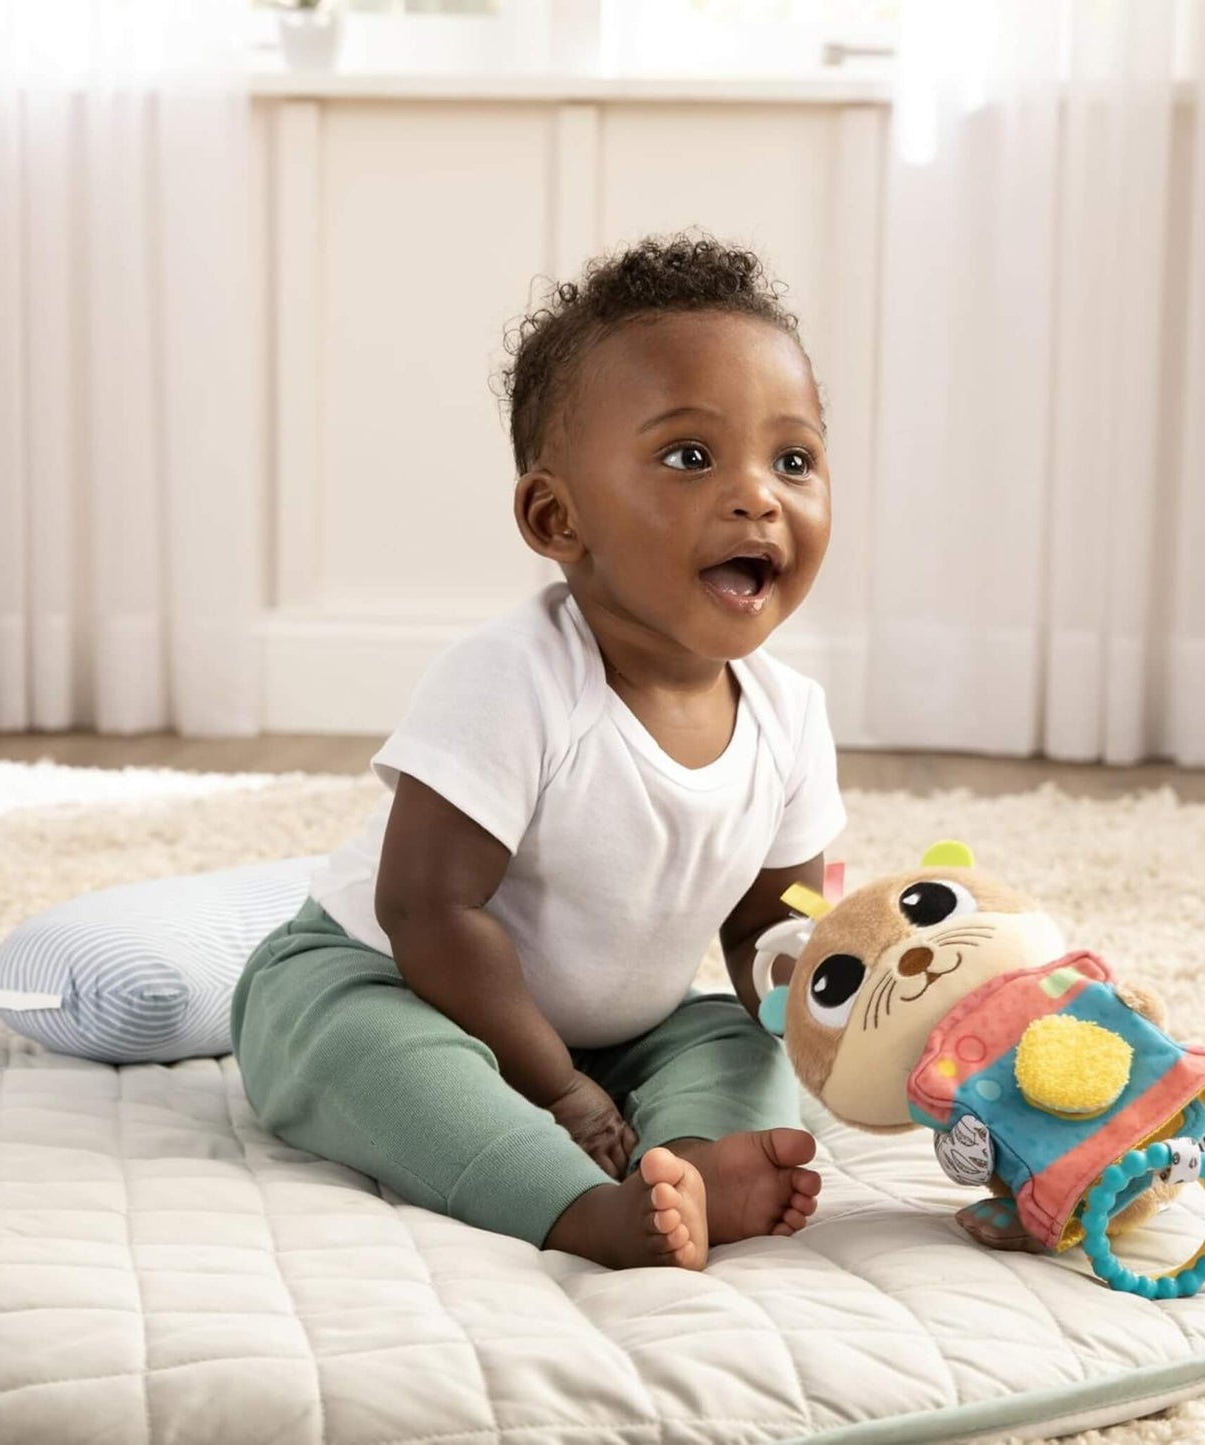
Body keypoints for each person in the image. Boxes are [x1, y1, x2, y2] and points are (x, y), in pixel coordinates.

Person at [230, 230, 846, 1271]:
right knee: (384, 1060)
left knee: (736, 1040)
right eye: (691, 457)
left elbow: (767, 933)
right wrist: (553, 1085)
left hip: (615, 1025)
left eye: (792, 458)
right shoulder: (513, 676)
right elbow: (425, 907)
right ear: (556, 517)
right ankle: (580, 1211)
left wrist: (854, 1024)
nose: (758, 495)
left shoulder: (789, 715)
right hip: (388, 978)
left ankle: (686, 1163)